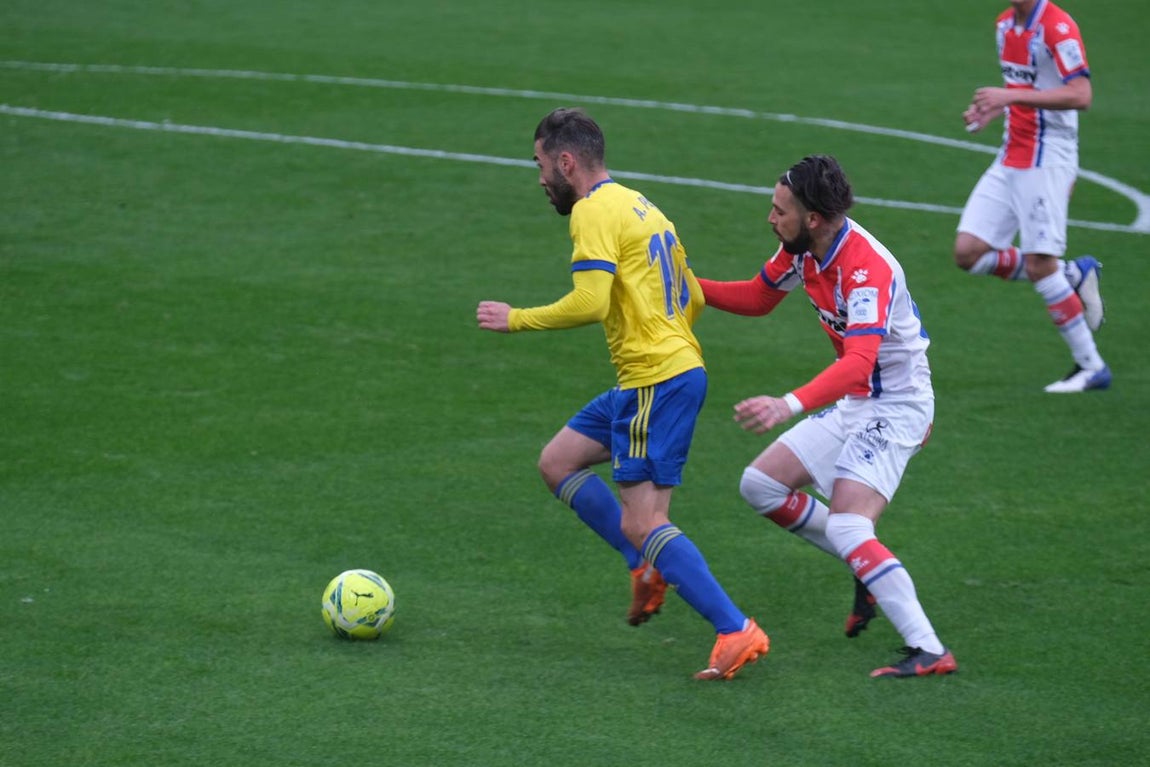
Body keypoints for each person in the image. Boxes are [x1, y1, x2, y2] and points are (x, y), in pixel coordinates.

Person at [476, 107, 768, 681]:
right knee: (559, 462)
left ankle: (735, 629)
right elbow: (692, 296)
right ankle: (644, 567)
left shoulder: (589, 211)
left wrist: (517, 320)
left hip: (653, 380)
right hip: (663, 374)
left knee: (644, 520)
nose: (539, 179)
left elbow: (590, 302)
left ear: (566, 162)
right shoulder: (642, 205)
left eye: (540, 165)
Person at [697, 155, 957, 678]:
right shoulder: (804, 248)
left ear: (813, 217)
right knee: (760, 486)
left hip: (897, 406)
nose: (771, 218)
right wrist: (683, 284)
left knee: (847, 524)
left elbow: (860, 362)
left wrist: (786, 403)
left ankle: (929, 651)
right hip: (858, 399)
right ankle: (864, 562)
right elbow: (758, 297)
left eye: (780, 211)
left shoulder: (864, 270)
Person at [957, 0, 1109, 393]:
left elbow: (1081, 94)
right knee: (969, 252)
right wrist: (992, 110)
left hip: (1047, 159)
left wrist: (1010, 98)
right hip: (1012, 153)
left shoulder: (1058, 28)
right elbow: (1022, 89)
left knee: (1042, 264)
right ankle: (1074, 275)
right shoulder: (1005, 25)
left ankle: (1091, 366)